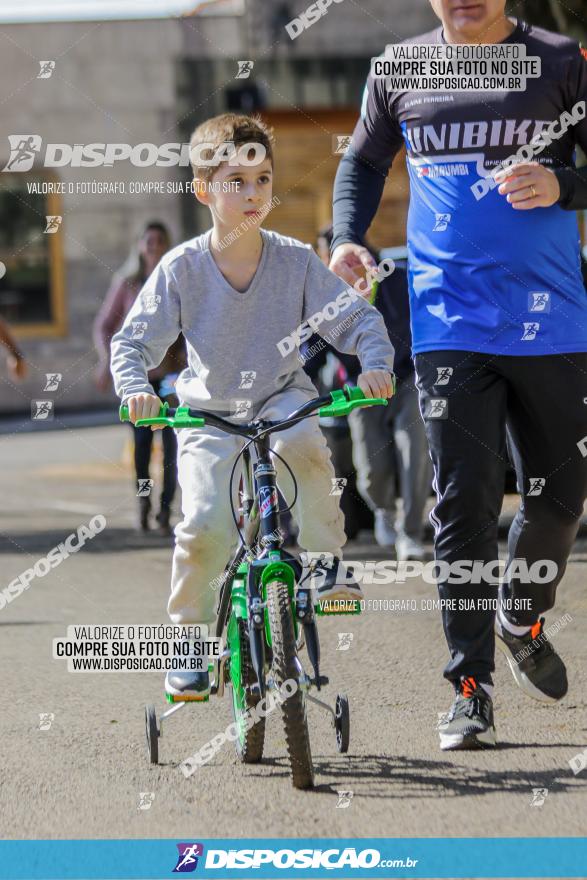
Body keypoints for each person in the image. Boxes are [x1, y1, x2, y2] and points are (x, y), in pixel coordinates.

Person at [331, 0, 587, 749]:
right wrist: (348, 237)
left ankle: (518, 615)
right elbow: (363, 161)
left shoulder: (559, 60)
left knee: (558, 498)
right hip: (448, 324)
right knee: (462, 506)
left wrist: (562, 185)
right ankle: (468, 687)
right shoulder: (398, 68)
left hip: (551, 320)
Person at [110, 113, 395, 700]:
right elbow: (132, 342)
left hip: (279, 400)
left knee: (308, 453)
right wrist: (135, 388)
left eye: (262, 179)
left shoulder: (293, 261)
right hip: (207, 414)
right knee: (203, 524)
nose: (251, 193)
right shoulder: (181, 268)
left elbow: (360, 320)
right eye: (235, 181)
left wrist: (376, 366)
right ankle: (190, 644)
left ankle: (324, 563)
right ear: (204, 190)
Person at [317, 225, 431, 560]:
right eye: (333, 259)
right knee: (370, 467)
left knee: (415, 451)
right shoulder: (323, 298)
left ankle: (410, 534)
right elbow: (307, 351)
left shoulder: (397, 280)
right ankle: (383, 511)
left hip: (407, 378)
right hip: (359, 387)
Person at [93, 221, 186, 536]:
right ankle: (144, 504)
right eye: (149, 241)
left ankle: (165, 510)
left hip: (172, 378)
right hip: (140, 381)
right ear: (140, 246)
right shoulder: (128, 283)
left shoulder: (177, 279)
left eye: (160, 240)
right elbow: (105, 326)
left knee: (173, 446)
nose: (154, 246)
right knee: (142, 447)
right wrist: (108, 363)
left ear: (167, 245)